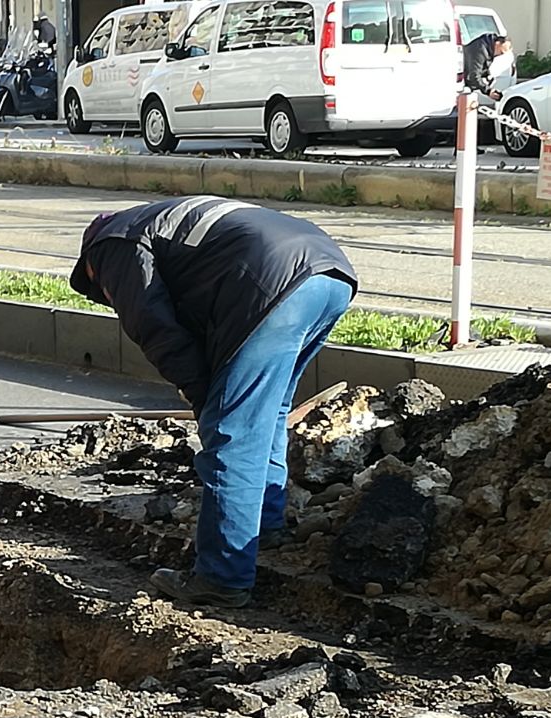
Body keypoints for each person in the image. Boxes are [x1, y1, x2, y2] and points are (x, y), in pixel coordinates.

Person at [70, 199, 357, 608]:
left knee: (233, 433)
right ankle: (265, 524)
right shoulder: (164, 224)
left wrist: (204, 397)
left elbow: (158, 331)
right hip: (329, 273)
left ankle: (222, 576)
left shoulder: (112, 245)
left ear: (91, 267)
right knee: (267, 410)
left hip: (274, 280)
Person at [463, 30, 511, 102]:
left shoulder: (488, 48)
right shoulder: (480, 49)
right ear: (497, 44)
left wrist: (487, 76)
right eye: (501, 52)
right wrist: (488, 91)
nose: (499, 55)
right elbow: (474, 75)